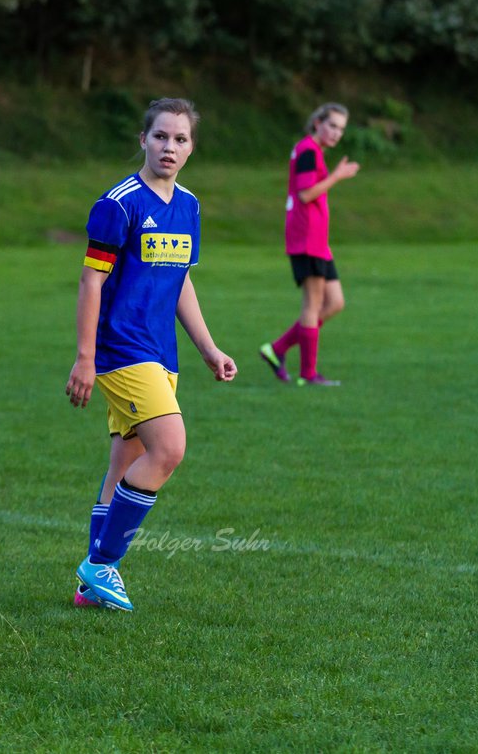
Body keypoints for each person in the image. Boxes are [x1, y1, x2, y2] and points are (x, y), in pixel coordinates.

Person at [66, 97, 237, 613]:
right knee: (170, 449)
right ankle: (102, 565)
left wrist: (207, 347)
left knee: (127, 459)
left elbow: (181, 278)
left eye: (181, 139)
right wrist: (84, 357)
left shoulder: (189, 206)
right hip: (121, 348)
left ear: (191, 149)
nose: (170, 147)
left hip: (163, 353)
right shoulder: (118, 204)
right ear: (143, 140)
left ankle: (90, 587)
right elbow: (91, 280)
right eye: (161, 136)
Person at [259, 103, 360, 386]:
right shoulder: (306, 150)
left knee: (335, 302)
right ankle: (308, 374)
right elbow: (305, 194)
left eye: (341, 128)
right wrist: (337, 177)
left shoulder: (314, 152)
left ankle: (277, 349)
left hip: (317, 241)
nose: (336, 133)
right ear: (317, 123)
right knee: (312, 305)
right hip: (305, 239)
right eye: (332, 125)